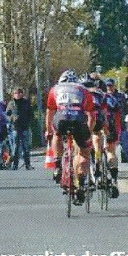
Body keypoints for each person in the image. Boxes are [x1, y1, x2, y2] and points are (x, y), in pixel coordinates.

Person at [45, 70, 97, 205]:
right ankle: (81, 181)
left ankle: (57, 163)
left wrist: (48, 131)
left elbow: (50, 112)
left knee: (57, 134)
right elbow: (92, 115)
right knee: (84, 152)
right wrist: (89, 133)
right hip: (78, 120)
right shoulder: (83, 90)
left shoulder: (55, 89)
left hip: (61, 118)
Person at [103, 78, 128, 183]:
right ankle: (108, 170)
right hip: (107, 127)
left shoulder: (121, 97)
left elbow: (127, 109)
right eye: (107, 86)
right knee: (106, 150)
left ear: (114, 86)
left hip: (121, 126)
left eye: (111, 86)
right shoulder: (103, 97)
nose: (109, 88)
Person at [6, 86, 34, 170]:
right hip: (15, 128)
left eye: (19, 93)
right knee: (16, 148)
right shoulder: (11, 104)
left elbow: (31, 114)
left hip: (24, 127)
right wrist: (12, 118)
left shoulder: (26, 103)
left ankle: (27, 164)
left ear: (22, 94)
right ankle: (15, 164)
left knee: (26, 147)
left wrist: (27, 121)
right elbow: (7, 115)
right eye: (15, 93)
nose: (17, 95)